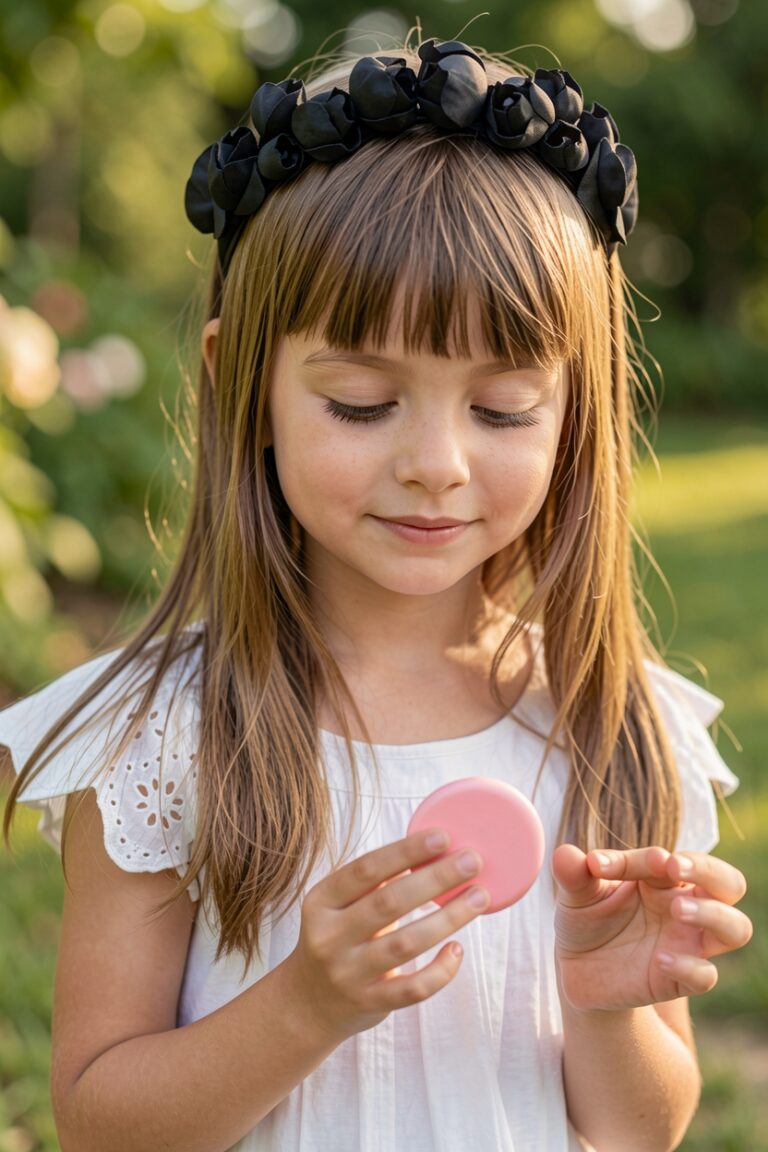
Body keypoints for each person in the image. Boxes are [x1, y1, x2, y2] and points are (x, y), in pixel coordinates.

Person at [0, 30, 753, 1152]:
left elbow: (642, 1127)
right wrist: (306, 1003)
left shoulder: (609, 723)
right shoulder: (162, 735)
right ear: (239, 381)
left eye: (501, 410)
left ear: (576, 410)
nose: (436, 463)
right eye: (360, 402)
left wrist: (607, 997)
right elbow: (103, 1120)